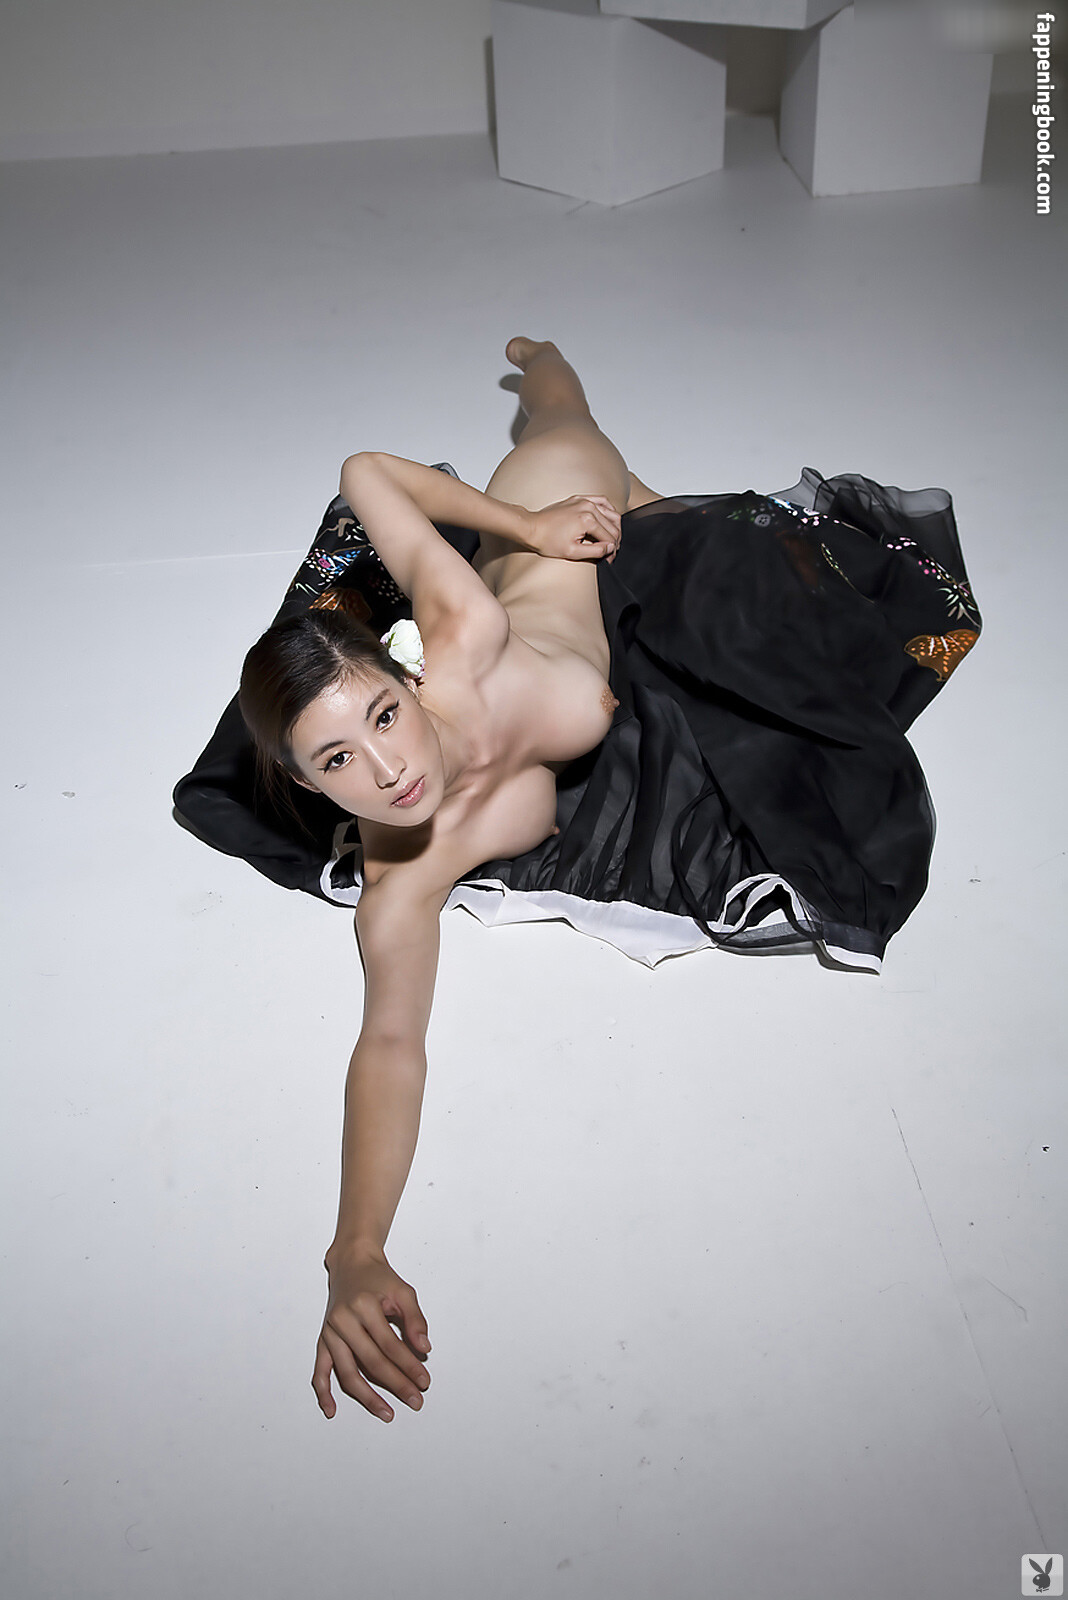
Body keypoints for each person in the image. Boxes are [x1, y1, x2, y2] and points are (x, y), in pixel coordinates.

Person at [182, 337, 981, 1425]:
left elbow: (364, 469)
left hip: (557, 505)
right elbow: (390, 1044)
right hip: (577, 608)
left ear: (406, 673)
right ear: (301, 780)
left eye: (383, 715)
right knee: (663, 515)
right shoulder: (402, 879)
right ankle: (639, 502)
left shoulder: (466, 632)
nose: (389, 769)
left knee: (568, 426)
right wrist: (353, 1251)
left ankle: (542, 356)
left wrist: (527, 526)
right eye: (337, 760)